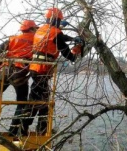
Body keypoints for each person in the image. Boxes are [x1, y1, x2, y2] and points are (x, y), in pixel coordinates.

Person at [21, 7, 84, 135]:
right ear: (57, 20)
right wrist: (76, 50)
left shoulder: (42, 29)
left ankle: (40, 128)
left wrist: (72, 38)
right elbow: (67, 53)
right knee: (38, 100)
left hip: (35, 68)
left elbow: (60, 37)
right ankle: (25, 128)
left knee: (42, 98)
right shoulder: (55, 33)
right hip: (42, 70)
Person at [0, 20, 39, 136]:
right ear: (32, 29)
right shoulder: (36, 41)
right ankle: (13, 131)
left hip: (5, 71)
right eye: (35, 29)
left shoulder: (13, 39)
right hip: (20, 74)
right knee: (21, 102)